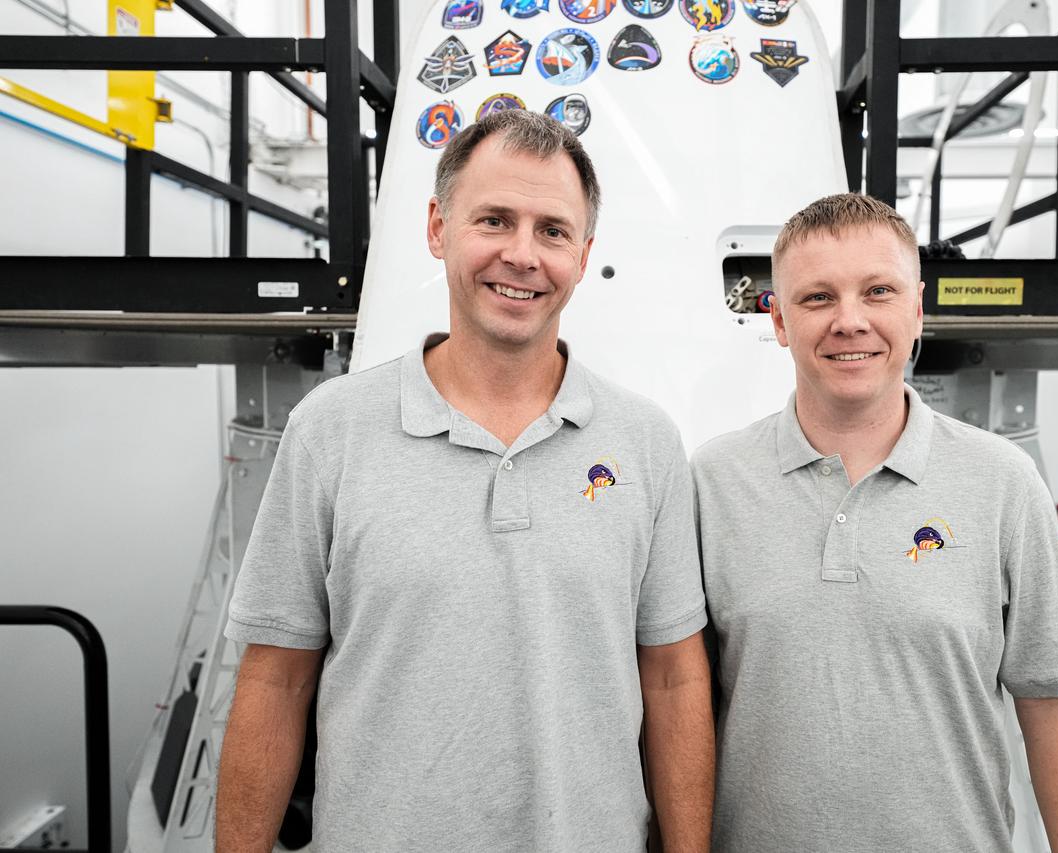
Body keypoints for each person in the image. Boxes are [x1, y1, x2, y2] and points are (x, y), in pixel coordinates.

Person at [216, 111, 714, 853]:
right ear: (438, 227)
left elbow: (675, 680)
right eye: (494, 220)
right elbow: (275, 680)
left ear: (583, 254)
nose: (522, 254)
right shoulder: (332, 430)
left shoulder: (645, 443)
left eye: (552, 230)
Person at [692, 193, 1058, 852]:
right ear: (778, 320)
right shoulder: (711, 484)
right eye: (817, 298)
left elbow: (1057, 701)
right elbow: (675, 698)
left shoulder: (1001, 484)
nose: (849, 321)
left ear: (917, 308)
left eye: (878, 292)